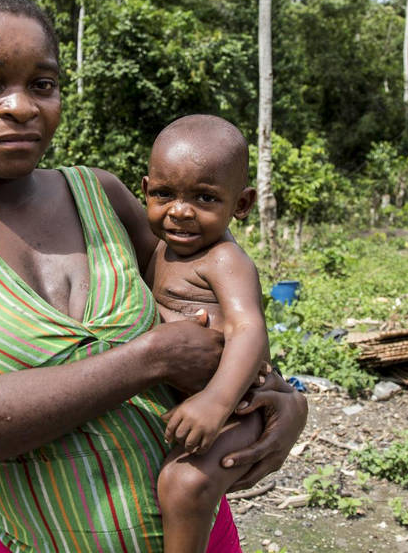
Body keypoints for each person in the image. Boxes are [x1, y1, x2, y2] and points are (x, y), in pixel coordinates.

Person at [0, 0, 307, 553]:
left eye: (43, 83)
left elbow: (214, 313)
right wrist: (148, 358)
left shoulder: (105, 197)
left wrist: (286, 402)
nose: (21, 106)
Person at [143, 115, 271, 553]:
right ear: (145, 190)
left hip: (237, 409)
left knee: (183, 483)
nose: (180, 210)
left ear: (242, 203)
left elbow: (249, 328)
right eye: (164, 194)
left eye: (204, 197)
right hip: (200, 405)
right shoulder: (158, 249)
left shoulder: (223, 260)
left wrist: (216, 402)